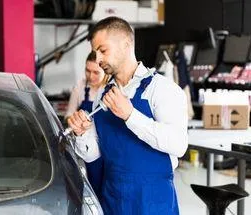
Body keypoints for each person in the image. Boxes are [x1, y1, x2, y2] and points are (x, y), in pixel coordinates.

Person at [67, 16, 188, 215]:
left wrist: (130, 115)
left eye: (103, 51)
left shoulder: (163, 90)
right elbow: (94, 154)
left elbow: (178, 145)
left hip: (152, 201)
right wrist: (83, 134)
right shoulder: (102, 97)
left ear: (126, 44)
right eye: (94, 53)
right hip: (113, 199)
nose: (98, 60)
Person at [65, 51, 108, 199]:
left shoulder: (109, 90)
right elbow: (69, 114)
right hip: (83, 146)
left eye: (96, 72)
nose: (91, 76)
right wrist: (77, 121)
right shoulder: (80, 87)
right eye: (87, 71)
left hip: (105, 151)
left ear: (105, 70)